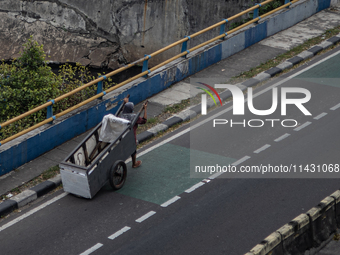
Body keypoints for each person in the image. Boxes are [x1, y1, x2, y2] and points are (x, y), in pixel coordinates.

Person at [121, 97, 148, 168]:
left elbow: (125, 109)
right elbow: (144, 120)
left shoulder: (121, 115)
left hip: (122, 136)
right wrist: (145, 108)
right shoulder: (134, 117)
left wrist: (126, 103)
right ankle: (134, 163)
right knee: (133, 150)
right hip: (131, 136)